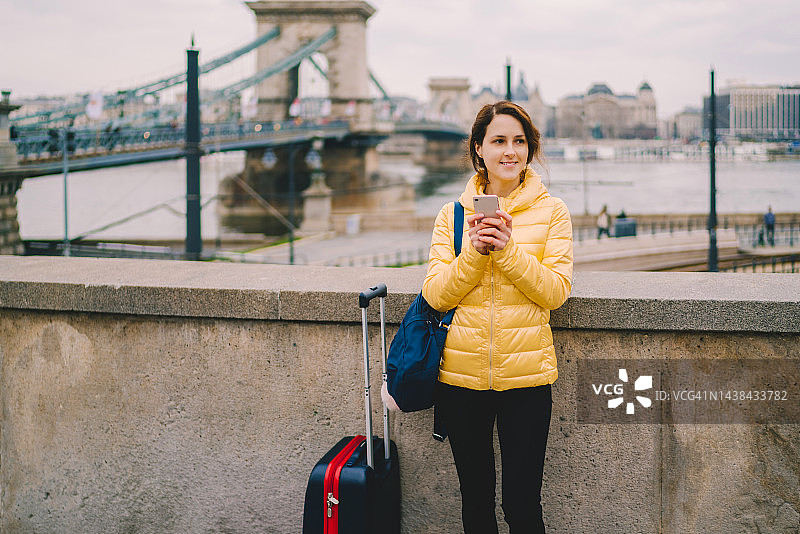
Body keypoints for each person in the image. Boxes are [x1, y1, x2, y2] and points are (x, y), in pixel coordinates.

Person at [422, 101, 573, 533]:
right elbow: (435, 293)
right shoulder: (452, 216)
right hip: (462, 381)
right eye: (499, 141)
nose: (511, 151)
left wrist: (507, 252)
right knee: (476, 507)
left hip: (527, 381)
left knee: (522, 506)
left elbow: (555, 292)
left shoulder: (553, 211)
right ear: (479, 149)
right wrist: (474, 253)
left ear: (530, 149)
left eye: (520, 141)